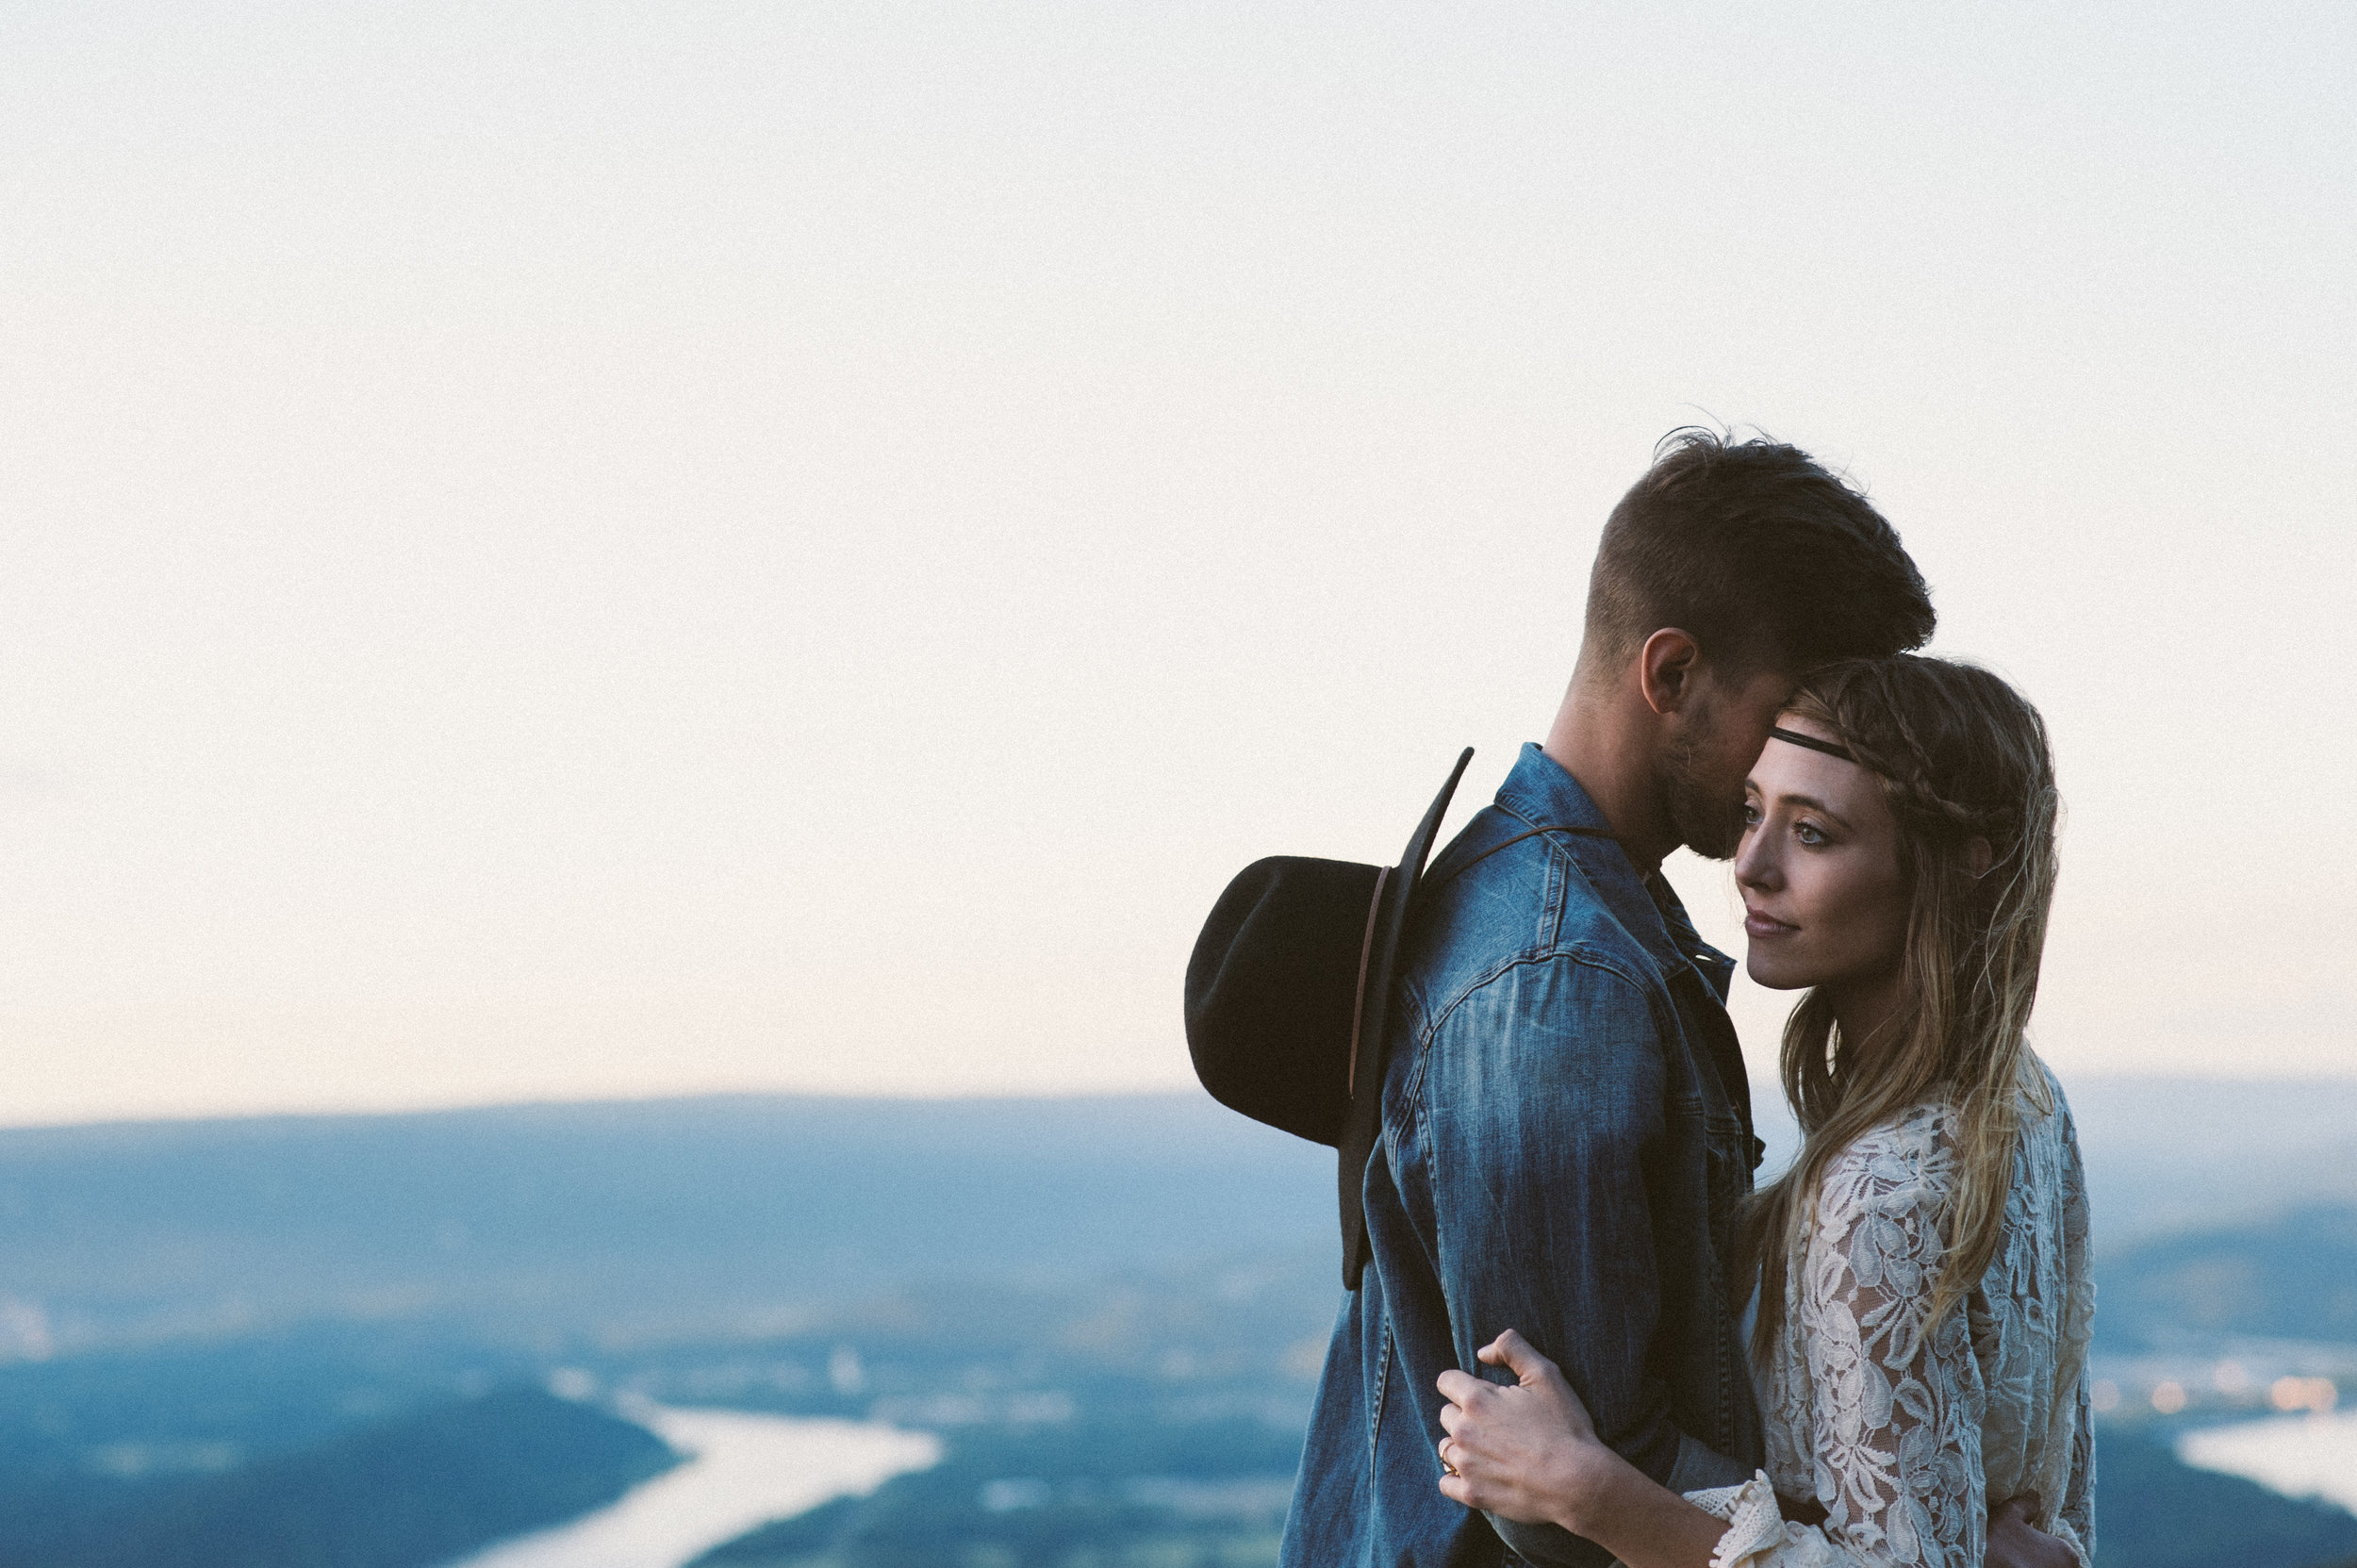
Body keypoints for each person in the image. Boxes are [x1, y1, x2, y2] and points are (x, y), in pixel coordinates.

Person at [1280, 430, 1937, 1568]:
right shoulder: (1557, 982)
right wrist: (1915, 1536)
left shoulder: (1598, 914)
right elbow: (1566, 1501)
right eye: (1790, 714)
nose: (1816, 759)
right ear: (1671, 675)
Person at [1431, 655, 2093, 1568]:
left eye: (1813, 833)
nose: (1750, 865)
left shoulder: (1876, 1197)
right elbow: (2029, 1479)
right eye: (1752, 812)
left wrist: (1591, 1491)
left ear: (1956, 869)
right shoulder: (2023, 1094)